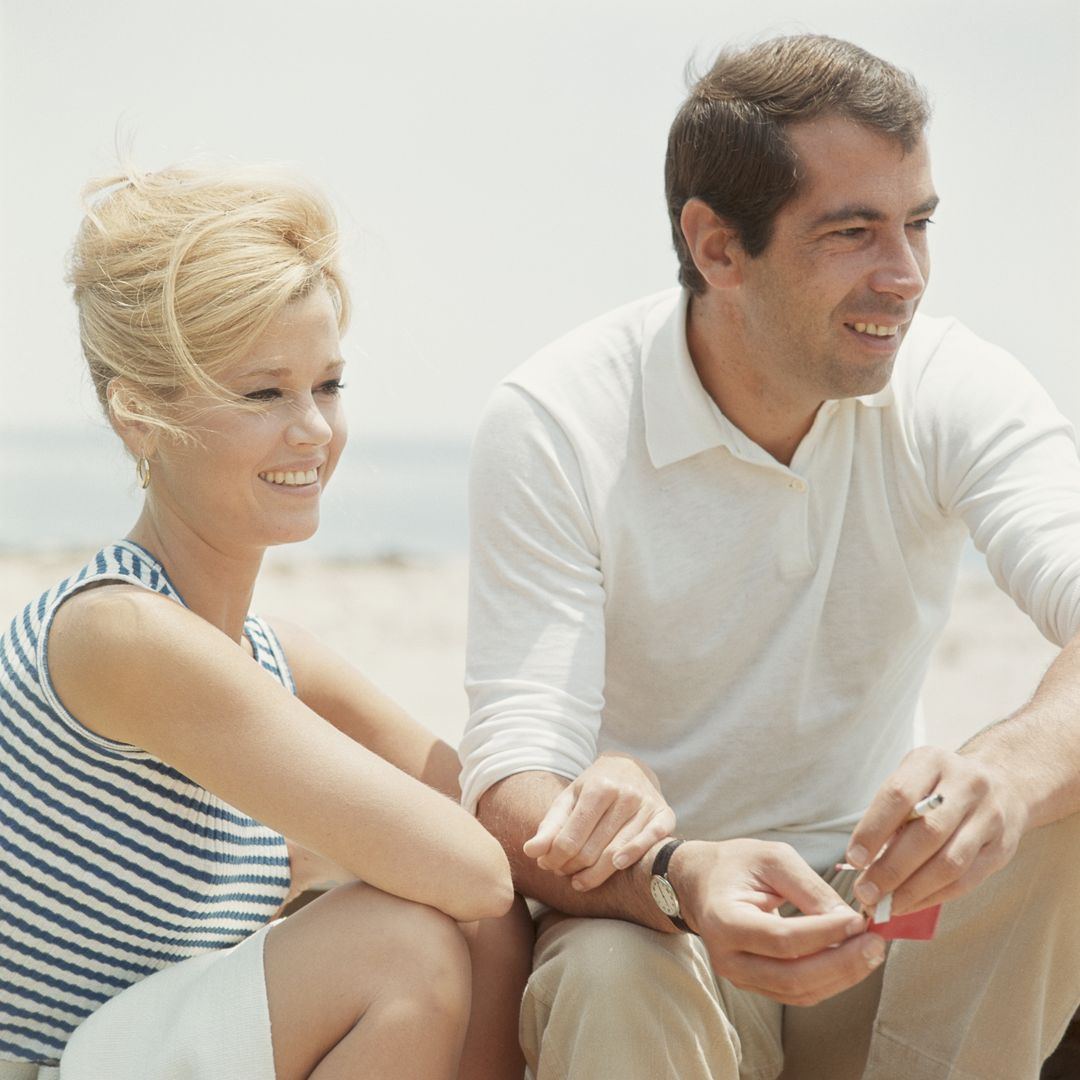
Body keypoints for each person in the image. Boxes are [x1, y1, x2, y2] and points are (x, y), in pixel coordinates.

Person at [460, 33, 1080, 1080]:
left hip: (886, 911)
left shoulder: (952, 382)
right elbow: (511, 784)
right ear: (716, 248)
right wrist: (676, 875)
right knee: (606, 970)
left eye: (919, 224)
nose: (907, 276)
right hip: (673, 924)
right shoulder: (557, 418)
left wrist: (1005, 778)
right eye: (854, 233)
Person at [0, 162, 672, 1080]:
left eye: (329, 384)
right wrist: (331, 860)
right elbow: (473, 865)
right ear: (138, 416)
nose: (313, 430)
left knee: (472, 932)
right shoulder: (119, 632)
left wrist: (637, 805)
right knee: (400, 945)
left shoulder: (275, 659)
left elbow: (492, 839)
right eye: (263, 393)